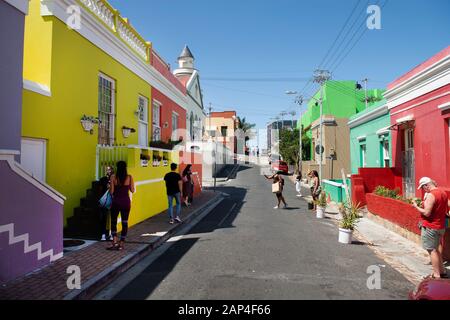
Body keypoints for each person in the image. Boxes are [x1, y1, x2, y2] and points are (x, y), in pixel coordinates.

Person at [413, 177, 449, 279]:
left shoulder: (431, 195)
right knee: (437, 249)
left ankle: (436, 274)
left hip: (431, 226)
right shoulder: (442, 192)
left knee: (431, 250)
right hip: (440, 226)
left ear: (426, 185)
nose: (423, 190)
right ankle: (442, 271)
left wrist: (416, 206)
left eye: (423, 187)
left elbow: (427, 213)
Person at [108, 161, 135, 251]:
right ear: (125, 167)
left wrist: (110, 187)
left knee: (113, 222)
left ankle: (114, 242)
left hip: (115, 202)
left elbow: (111, 192)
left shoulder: (113, 177)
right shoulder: (130, 177)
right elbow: (132, 190)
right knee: (124, 223)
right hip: (125, 203)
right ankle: (121, 244)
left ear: (117, 167)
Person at [99, 166, 113, 241]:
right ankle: (103, 234)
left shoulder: (114, 179)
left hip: (112, 200)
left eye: (110, 169)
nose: (108, 171)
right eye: (107, 170)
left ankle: (111, 234)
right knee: (104, 218)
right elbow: (100, 190)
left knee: (112, 218)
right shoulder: (103, 179)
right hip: (105, 201)